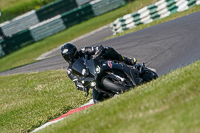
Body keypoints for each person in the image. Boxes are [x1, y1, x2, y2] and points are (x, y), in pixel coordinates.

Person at [61, 43, 137, 103]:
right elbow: (77, 83)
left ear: (75, 52)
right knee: (97, 101)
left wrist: (99, 50)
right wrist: (83, 87)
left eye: (71, 55)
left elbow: (96, 49)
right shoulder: (70, 71)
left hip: (99, 65)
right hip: (93, 80)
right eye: (68, 57)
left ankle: (128, 61)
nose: (70, 58)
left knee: (108, 50)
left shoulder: (83, 51)